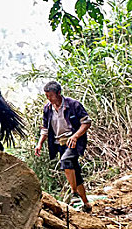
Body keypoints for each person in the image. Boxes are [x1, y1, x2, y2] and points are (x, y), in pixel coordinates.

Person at [35, 81, 93, 213]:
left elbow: (86, 122)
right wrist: (39, 143)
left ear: (59, 93)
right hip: (59, 143)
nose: (49, 99)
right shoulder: (47, 109)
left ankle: (74, 194)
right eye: (46, 96)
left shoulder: (73, 105)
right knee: (75, 172)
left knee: (66, 162)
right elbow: (45, 129)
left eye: (51, 95)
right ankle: (86, 204)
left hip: (73, 141)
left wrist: (75, 136)